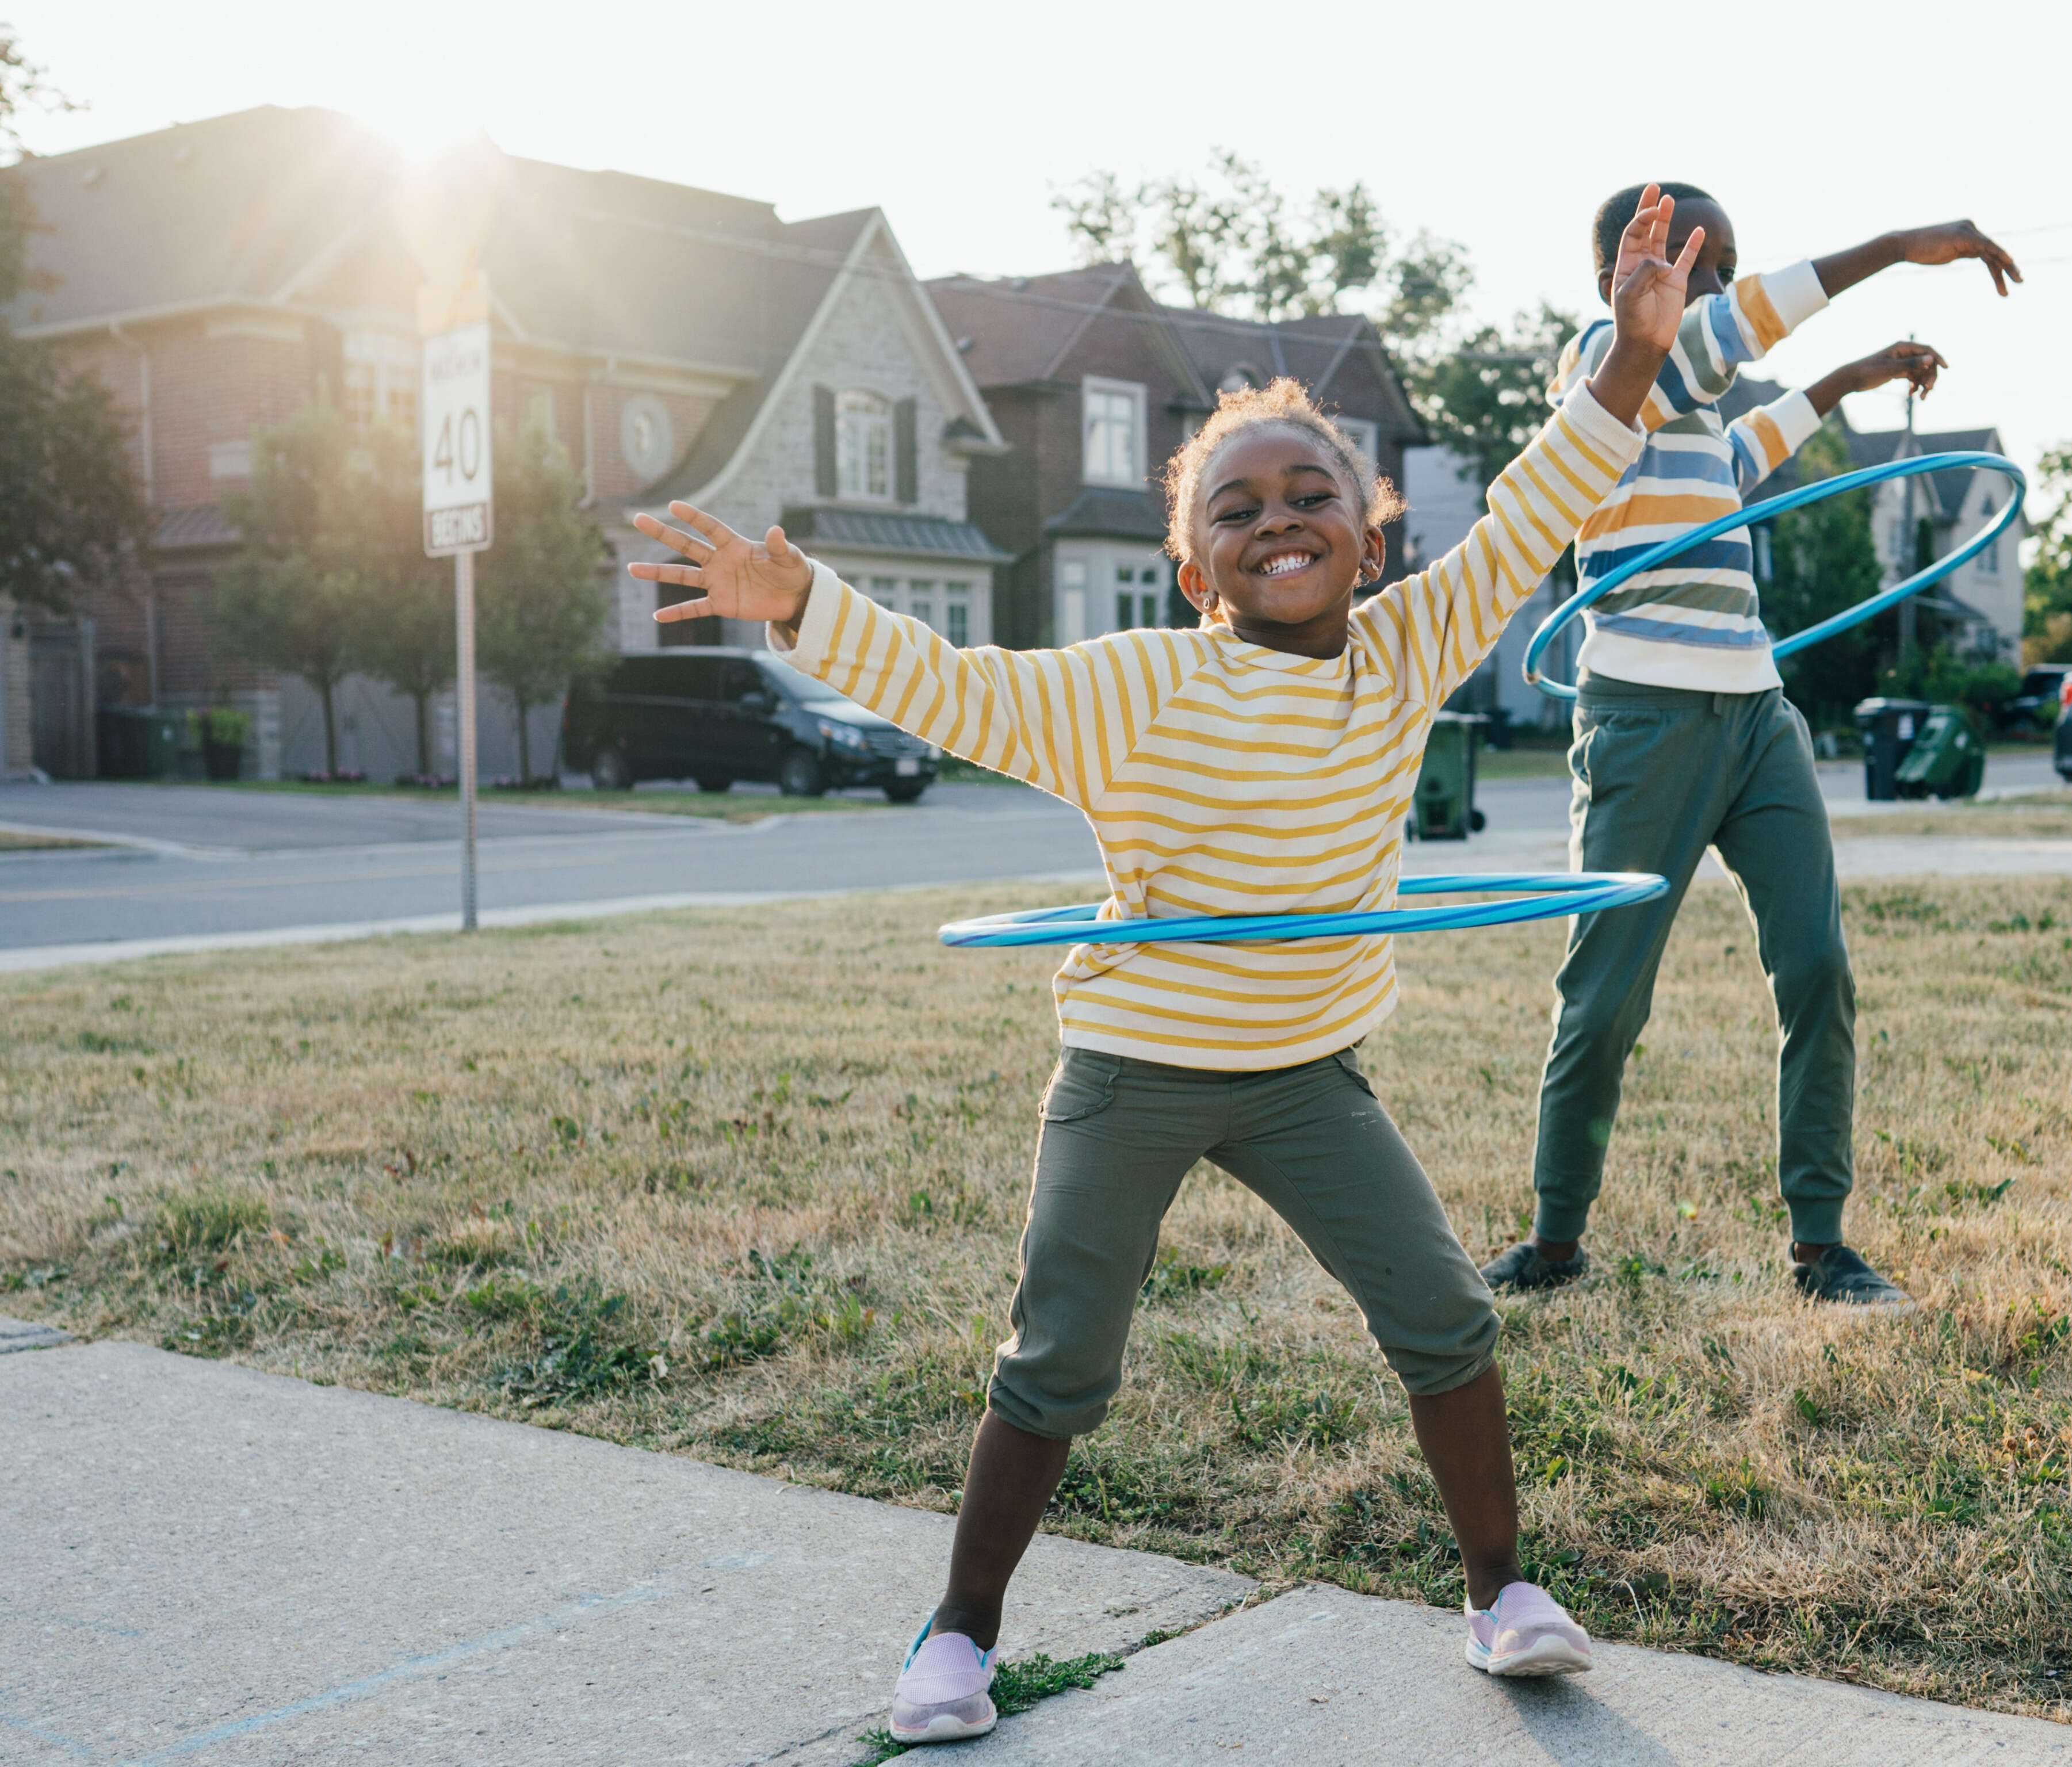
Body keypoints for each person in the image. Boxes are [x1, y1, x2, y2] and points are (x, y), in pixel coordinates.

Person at [628, 190, 1700, 1748]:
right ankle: (960, 1630)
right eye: (1238, 508)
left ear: (1371, 524)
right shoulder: (1134, 688)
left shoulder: (1407, 652)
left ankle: (1501, 1595)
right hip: (1137, 1067)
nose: (1279, 520)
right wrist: (800, 601)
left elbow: (1537, 511)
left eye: (1309, 492)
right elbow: (951, 684)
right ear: (1197, 567)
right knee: (1061, 1355)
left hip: (1306, 1073)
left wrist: (1627, 364)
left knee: (1447, 1317)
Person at [1478, 182, 2022, 1307]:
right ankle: (1555, 1238)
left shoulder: (1690, 425)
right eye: (1691, 260)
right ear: (1616, 280)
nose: (1714, 284)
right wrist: (1890, 248)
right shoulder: (1604, 373)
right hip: (1643, 719)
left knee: (1817, 967)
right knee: (1606, 995)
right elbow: (1724, 340)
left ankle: (1819, 1246)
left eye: (1725, 264)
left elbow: (1753, 446)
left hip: (1756, 714)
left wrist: (1860, 375)